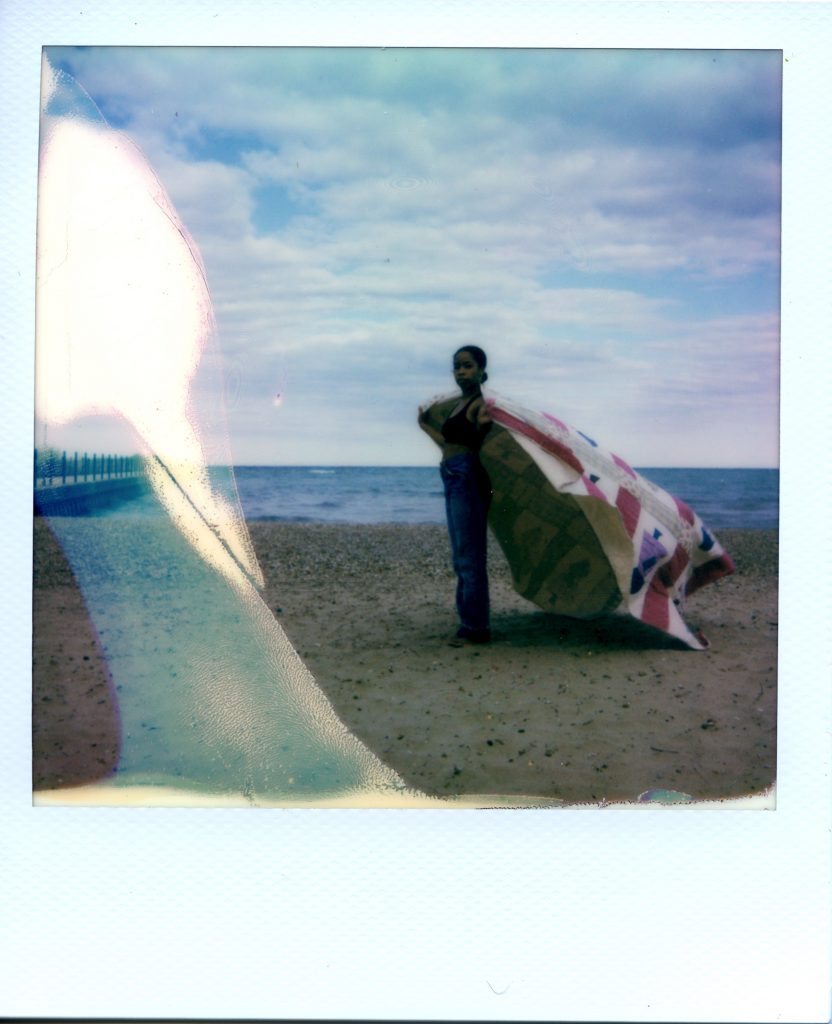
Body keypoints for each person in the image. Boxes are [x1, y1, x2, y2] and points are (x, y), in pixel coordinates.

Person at [419, 346, 493, 645]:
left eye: (467, 366)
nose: (461, 371)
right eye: (457, 367)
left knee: (469, 554)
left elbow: (485, 444)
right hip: (451, 473)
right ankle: (470, 623)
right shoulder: (456, 406)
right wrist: (424, 425)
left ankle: (477, 628)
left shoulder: (481, 406)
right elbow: (448, 443)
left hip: (467, 476)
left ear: (481, 371)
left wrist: (486, 424)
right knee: (460, 554)